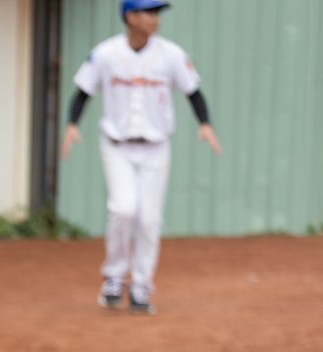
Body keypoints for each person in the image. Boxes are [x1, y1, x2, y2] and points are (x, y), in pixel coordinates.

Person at [60, 0, 221, 315]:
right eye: (149, 12)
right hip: (117, 145)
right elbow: (82, 90)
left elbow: (193, 91)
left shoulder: (170, 54)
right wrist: (71, 124)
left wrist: (205, 123)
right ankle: (114, 277)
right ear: (130, 17)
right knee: (123, 208)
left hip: (156, 148)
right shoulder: (107, 53)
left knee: (149, 218)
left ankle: (141, 286)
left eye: (157, 13)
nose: (155, 19)